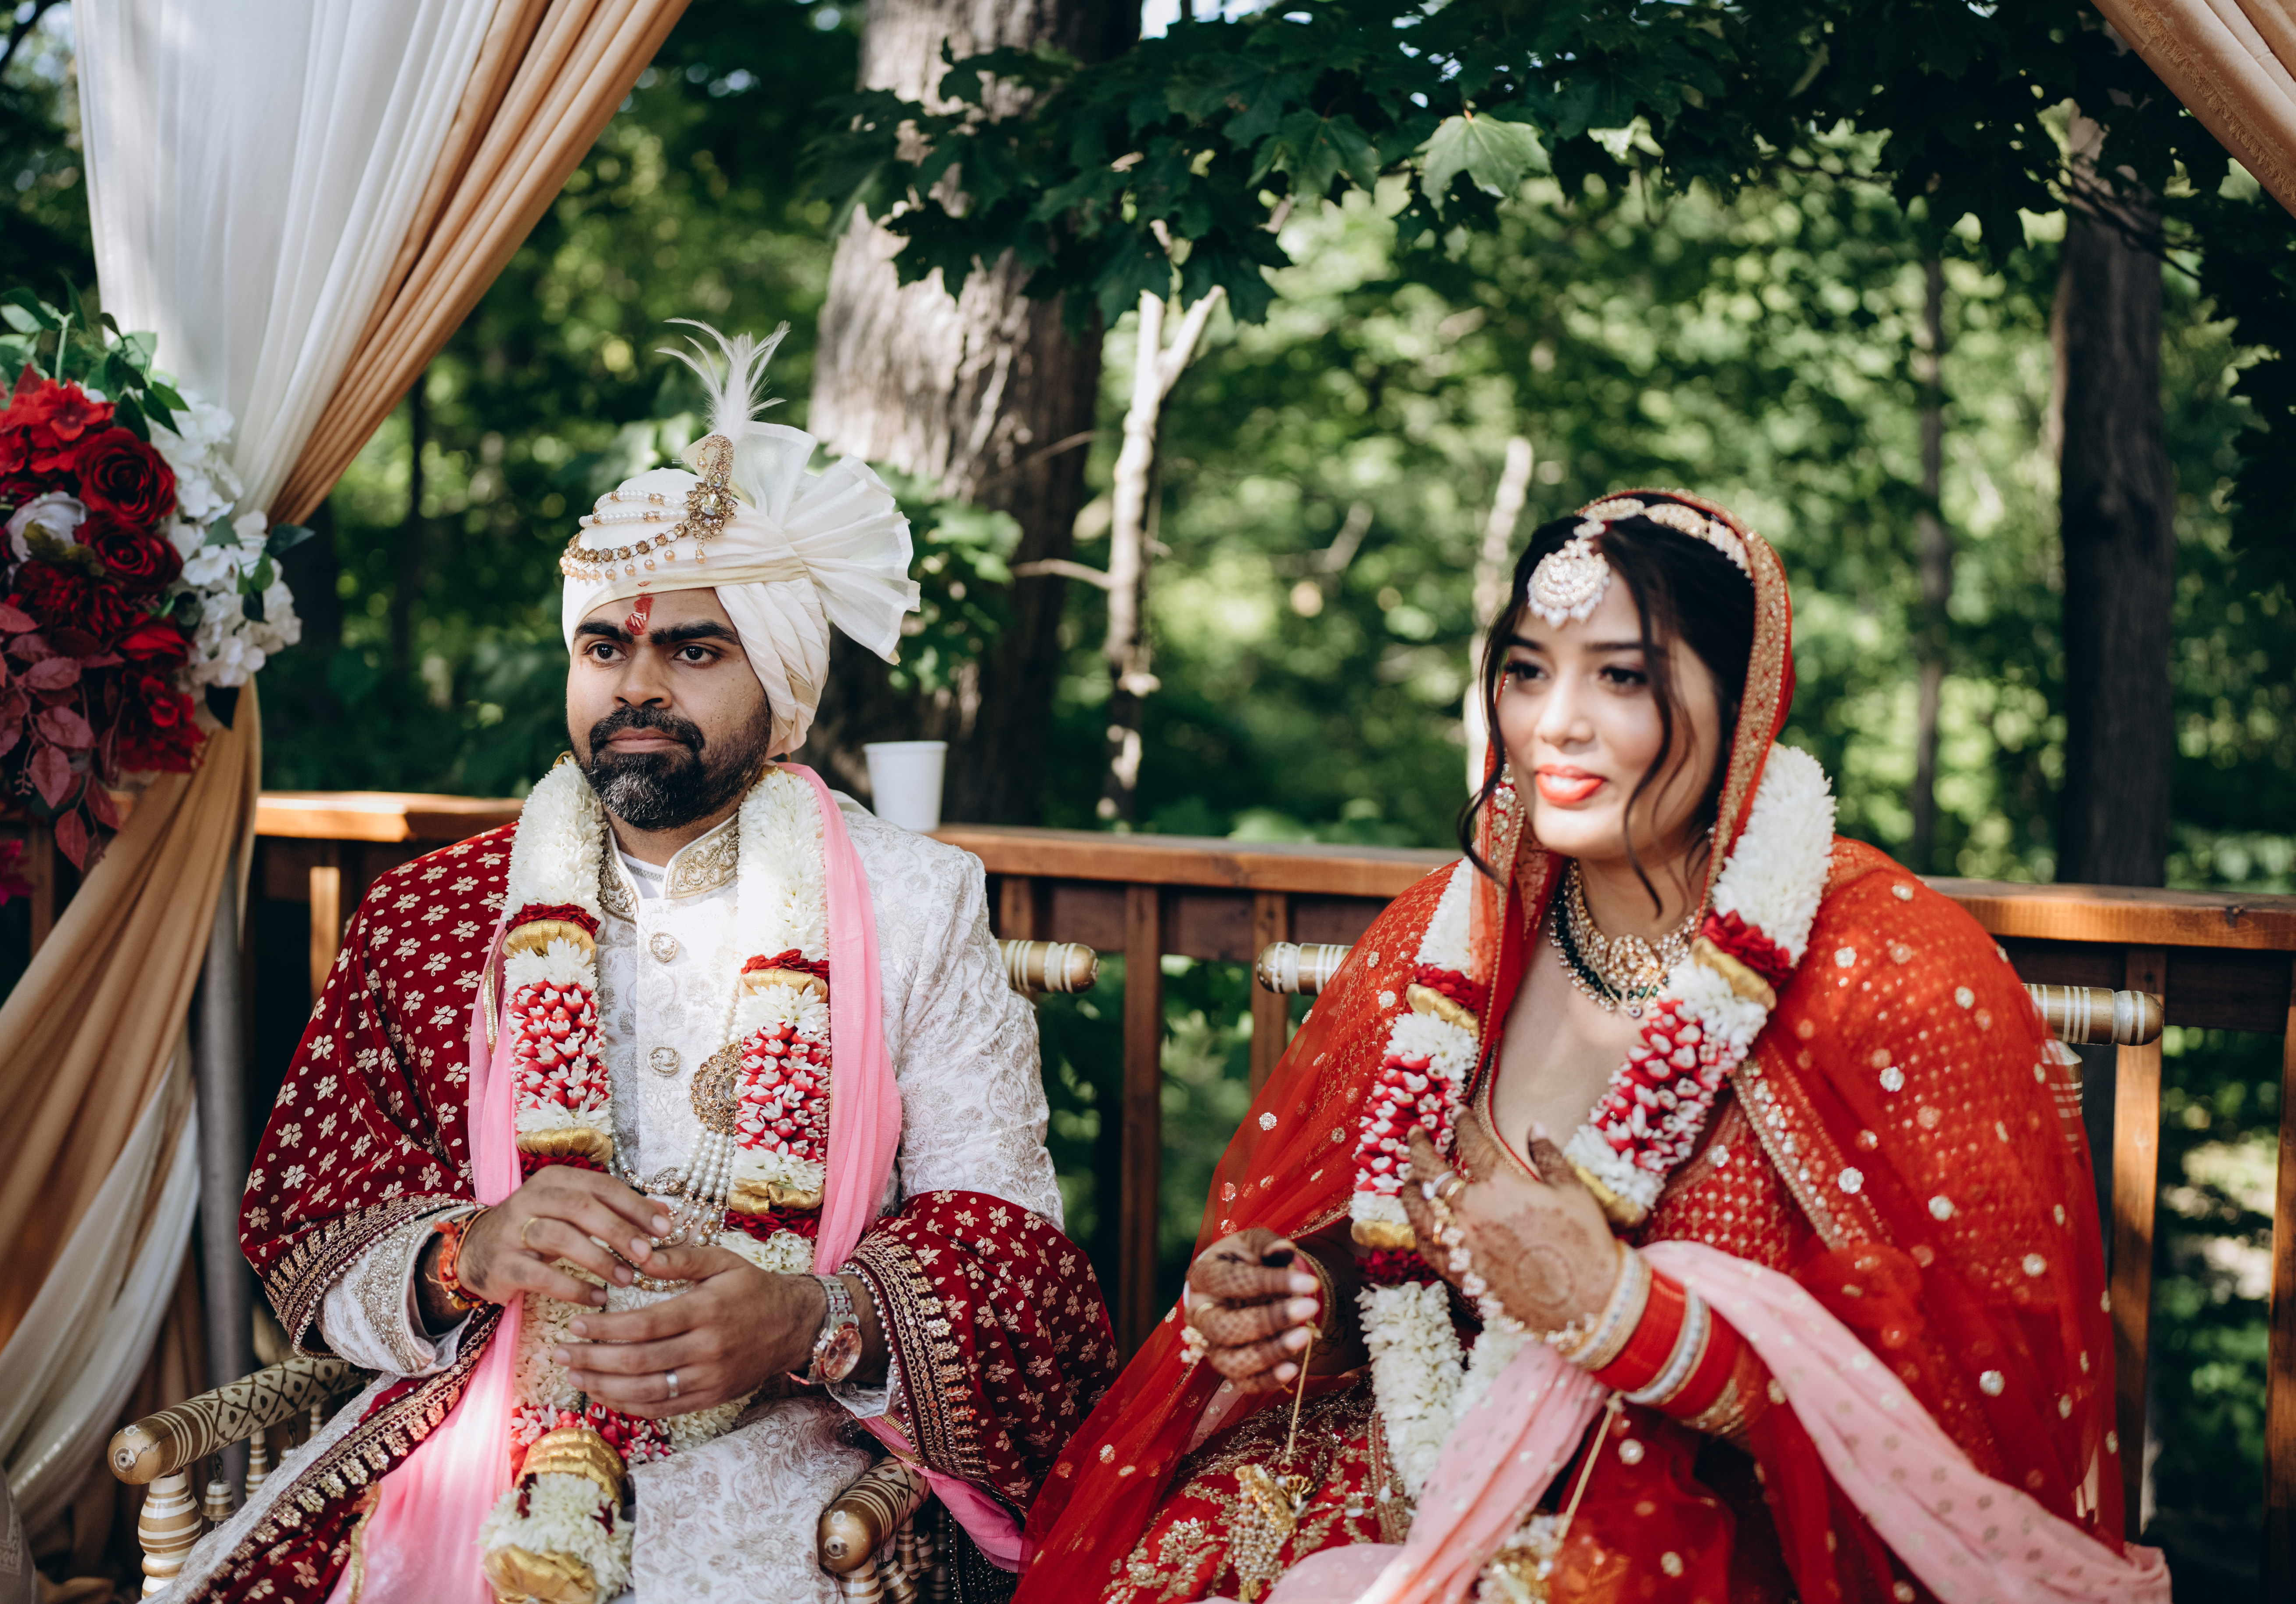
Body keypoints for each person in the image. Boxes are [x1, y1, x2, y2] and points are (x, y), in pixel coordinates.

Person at [1021, 492, 2169, 1604]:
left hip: (1704, 1519)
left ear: (1745, 703)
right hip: (1417, 1459)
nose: (1553, 723)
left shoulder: (1885, 967)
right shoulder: (1453, 928)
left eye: (1621, 677)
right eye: (1527, 670)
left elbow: (1967, 1412)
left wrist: (1627, 1315)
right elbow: (1395, 1250)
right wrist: (1302, 1292)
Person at [173, 326, 1115, 1604]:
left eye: (695, 650)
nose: (638, 686)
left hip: (792, 1459)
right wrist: (465, 1254)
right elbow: (311, 1223)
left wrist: (811, 1320)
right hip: (482, 1434)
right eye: (606, 647)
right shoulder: (436, 913)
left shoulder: (914, 903)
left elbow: (1014, 1252)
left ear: (782, 686)